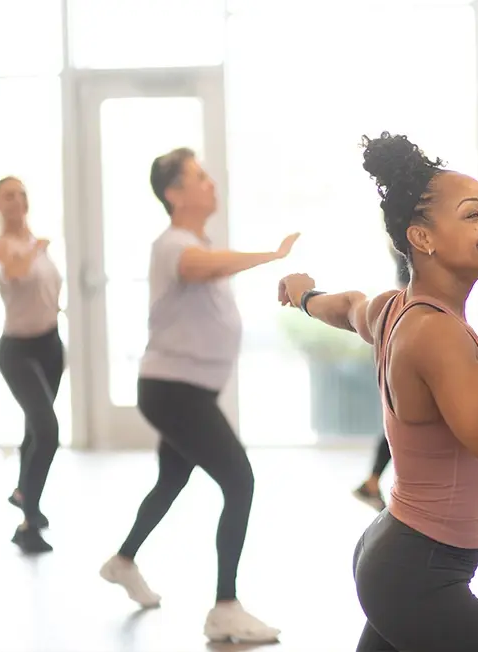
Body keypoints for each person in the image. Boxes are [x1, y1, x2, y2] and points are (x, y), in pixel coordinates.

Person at [277, 131, 478, 652]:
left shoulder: (394, 308)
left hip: (402, 555)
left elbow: (348, 306)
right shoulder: (434, 333)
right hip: (418, 572)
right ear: (422, 239)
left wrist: (305, 295)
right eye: (472, 214)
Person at [99, 147, 298, 643]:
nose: (210, 183)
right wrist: (271, 256)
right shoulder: (173, 244)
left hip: (183, 391)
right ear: (174, 193)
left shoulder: (196, 240)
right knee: (240, 480)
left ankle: (123, 560)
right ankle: (225, 607)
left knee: (172, 479)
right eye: (199, 176)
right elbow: (198, 267)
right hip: (173, 391)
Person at [0, 176, 65, 555]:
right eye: (9, 196)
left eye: (22, 194)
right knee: (48, 430)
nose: (18, 201)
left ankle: (26, 502)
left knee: (34, 433)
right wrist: (36, 248)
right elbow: (17, 273)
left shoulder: (37, 243)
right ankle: (28, 512)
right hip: (17, 351)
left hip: (50, 345)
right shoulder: (5, 247)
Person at [352, 245, 411, 511]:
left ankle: (372, 481)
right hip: (406, 319)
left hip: (404, 318)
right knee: (401, 413)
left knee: (401, 413)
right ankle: (373, 481)